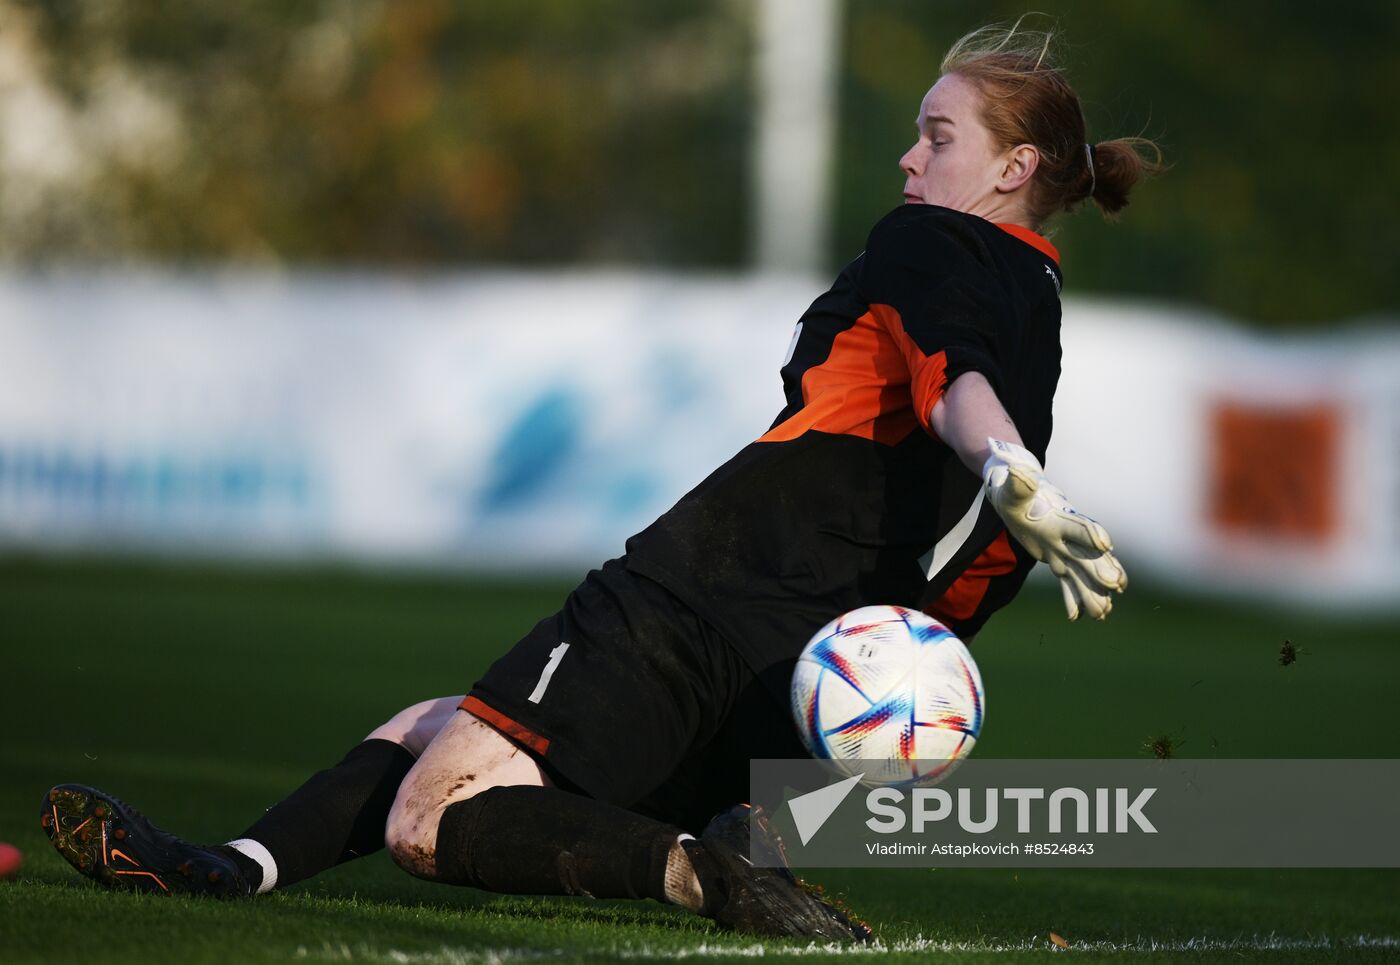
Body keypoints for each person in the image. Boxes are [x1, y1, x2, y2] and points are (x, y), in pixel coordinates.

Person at [42, 21, 1158, 943]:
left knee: (436, 816)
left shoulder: (928, 247)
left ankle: (704, 877)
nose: (910, 162)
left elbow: (950, 382)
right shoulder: (1037, 307)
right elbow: (973, 516)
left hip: (694, 601)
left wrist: (999, 458)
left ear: (1011, 168)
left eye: (936, 136)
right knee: (441, 719)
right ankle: (229, 868)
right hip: (796, 675)